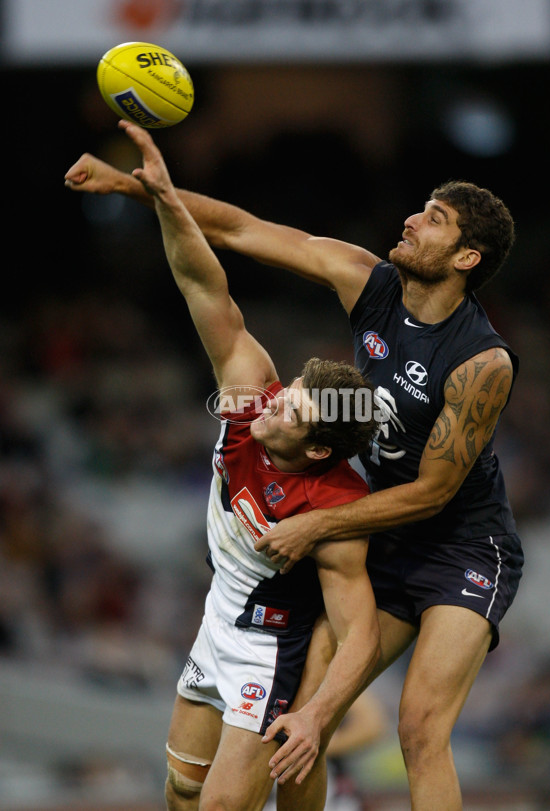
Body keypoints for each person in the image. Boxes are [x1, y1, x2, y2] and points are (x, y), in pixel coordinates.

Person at [65, 137, 524, 810]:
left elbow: (434, 492)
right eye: (422, 208)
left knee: (420, 728)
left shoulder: (483, 362)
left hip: (462, 545)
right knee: (302, 722)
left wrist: (318, 521)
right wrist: (143, 188)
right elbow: (243, 230)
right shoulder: (369, 281)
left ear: (466, 258)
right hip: (380, 530)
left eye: (433, 219)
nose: (411, 220)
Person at [85, 121, 381, 811]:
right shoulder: (255, 394)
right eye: (288, 394)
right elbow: (204, 286)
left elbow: (360, 630)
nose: (271, 407)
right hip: (216, 614)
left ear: (316, 450)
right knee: (182, 789)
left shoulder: (335, 509)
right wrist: (164, 197)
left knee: (223, 806)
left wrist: (315, 714)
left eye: (292, 412)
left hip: (268, 647)